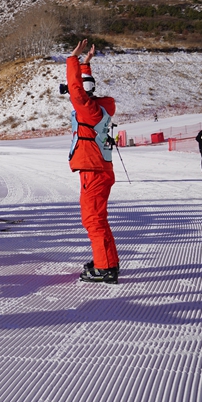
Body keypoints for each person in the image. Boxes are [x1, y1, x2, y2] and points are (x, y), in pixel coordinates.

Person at [67, 40, 119, 284]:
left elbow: (77, 90)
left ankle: (105, 267)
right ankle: (106, 261)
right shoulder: (99, 107)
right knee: (98, 219)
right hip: (99, 169)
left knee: (93, 220)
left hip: (93, 171)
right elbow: (83, 90)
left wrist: (72, 61)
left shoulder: (88, 109)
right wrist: (85, 66)